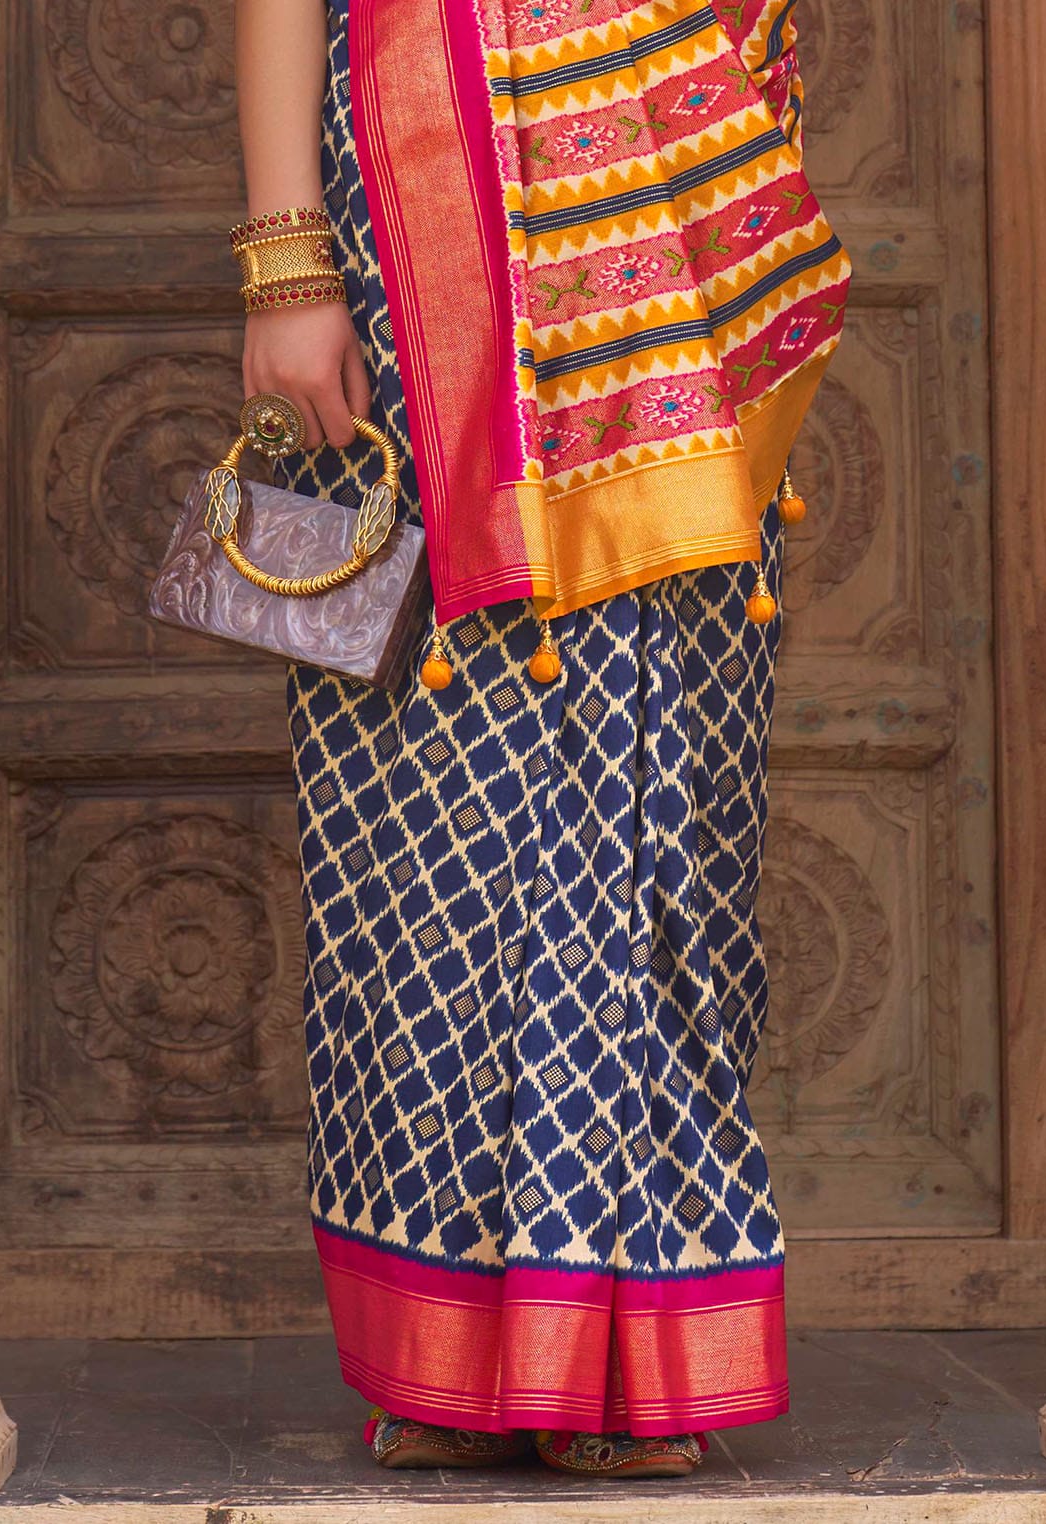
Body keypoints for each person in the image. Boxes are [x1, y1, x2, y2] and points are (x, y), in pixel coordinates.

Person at [233, 0, 849, 1479]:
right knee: (424, 800)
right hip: (426, 203)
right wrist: (284, 261)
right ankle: (450, 1352)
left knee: (669, 760)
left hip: (675, 202)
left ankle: (629, 1343)